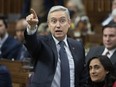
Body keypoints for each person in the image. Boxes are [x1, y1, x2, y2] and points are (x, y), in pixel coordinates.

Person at [24, 5, 88, 87]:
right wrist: (31, 27)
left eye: (62, 21)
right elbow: (31, 44)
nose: (58, 25)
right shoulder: (41, 43)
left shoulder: (78, 46)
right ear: (49, 24)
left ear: (69, 23)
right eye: (53, 21)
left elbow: (83, 77)